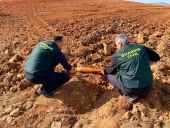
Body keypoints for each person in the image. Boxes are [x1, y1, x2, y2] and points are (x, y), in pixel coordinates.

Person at [104, 34, 160, 102]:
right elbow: (156, 57)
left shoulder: (117, 56)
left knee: (109, 76)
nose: (117, 48)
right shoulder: (141, 47)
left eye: (116, 45)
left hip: (132, 90)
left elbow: (110, 71)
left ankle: (131, 95)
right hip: (148, 86)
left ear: (120, 44)